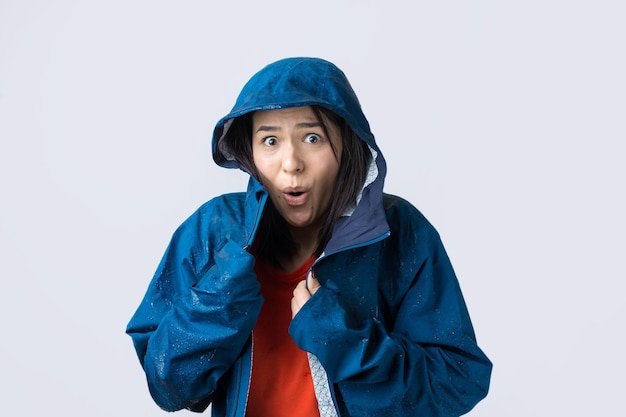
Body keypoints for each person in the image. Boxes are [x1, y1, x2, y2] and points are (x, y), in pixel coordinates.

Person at [126, 57, 492, 417]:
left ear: (348, 143)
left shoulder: (399, 231)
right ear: (249, 151)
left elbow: (458, 381)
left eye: (312, 137)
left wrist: (343, 340)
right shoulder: (213, 229)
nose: (291, 163)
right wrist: (222, 301)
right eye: (270, 141)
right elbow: (167, 386)